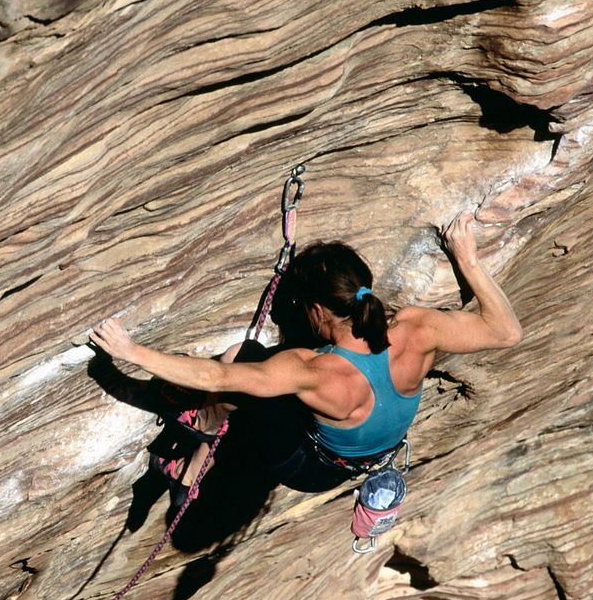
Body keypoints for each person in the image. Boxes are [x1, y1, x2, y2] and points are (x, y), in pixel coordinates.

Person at [89, 211, 523, 495]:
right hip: (372, 450)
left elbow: (219, 379)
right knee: (260, 371)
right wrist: (466, 257)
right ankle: (200, 455)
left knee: (243, 358)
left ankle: (198, 440)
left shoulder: (315, 372)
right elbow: (507, 332)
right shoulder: (418, 328)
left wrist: (132, 350)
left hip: (310, 468)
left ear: (316, 310)